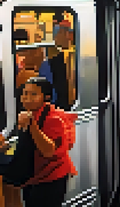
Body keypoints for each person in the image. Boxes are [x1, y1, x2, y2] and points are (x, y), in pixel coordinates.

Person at [0, 77, 77, 207]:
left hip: (51, 178)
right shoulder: (30, 114)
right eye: (25, 93)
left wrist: (32, 125)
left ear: (46, 97)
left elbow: (48, 151)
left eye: (33, 94)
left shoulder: (54, 119)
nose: (27, 98)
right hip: (33, 177)